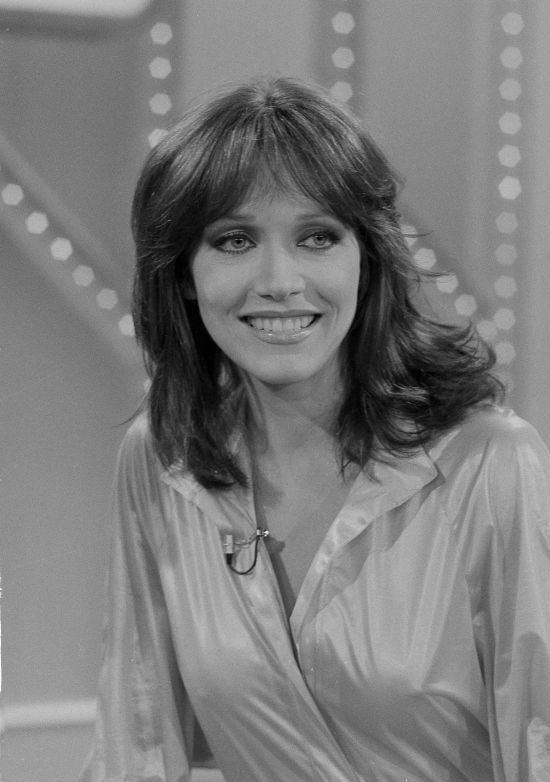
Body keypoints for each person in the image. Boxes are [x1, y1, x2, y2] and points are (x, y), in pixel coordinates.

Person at [80, 76, 550, 782]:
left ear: (367, 260)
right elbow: (136, 741)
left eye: (317, 237)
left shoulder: (491, 462)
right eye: (235, 239)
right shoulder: (161, 458)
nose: (280, 280)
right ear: (182, 274)